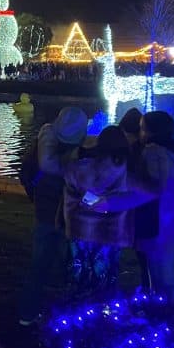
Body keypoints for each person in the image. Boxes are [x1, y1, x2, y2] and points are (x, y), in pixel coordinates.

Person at [88, 111, 174, 302]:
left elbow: (150, 189)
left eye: (143, 128)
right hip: (173, 218)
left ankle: (162, 318)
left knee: (158, 275)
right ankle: (168, 314)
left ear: (152, 131)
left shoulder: (154, 152)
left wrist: (116, 195)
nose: (140, 133)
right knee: (167, 275)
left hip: (158, 220)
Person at [17, 107, 87, 326]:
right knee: (69, 263)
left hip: (45, 212)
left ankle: (28, 313)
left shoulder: (44, 146)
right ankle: (66, 315)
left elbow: (26, 173)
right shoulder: (72, 161)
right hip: (66, 216)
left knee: (39, 264)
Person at [63, 126, 133, 294]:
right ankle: (102, 310)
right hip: (111, 232)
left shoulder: (81, 166)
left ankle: (75, 308)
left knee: (79, 270)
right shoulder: (126, 169)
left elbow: (72, 191)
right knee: (106, 272)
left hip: (80, 228)